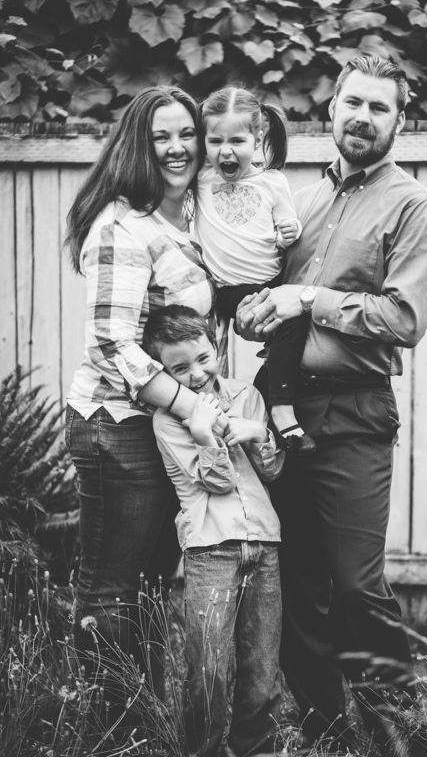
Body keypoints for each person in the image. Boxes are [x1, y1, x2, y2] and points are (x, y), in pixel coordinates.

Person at [237, 56, 427, 757]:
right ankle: (332, 735)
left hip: (355, 415)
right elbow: (267, 297)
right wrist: (255, 311)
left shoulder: (414, 207)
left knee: (356, 587)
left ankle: (404, 733)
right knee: (298, 586)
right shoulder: (296, 203)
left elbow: (403, 320)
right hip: (282, 410)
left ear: (398, 121)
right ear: (330, 112)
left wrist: (310, 300)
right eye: (351, 103)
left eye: (377, 108)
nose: (361, 117)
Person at [63, 86, 227, 742]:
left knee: (151, 588)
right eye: (162, 135)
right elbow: (109, 344)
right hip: (119, 429)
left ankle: (142, 727)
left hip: (158, 430)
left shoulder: (180, 226)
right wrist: (191, 404)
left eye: (187, 132)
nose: (179, 146)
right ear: (138, 143)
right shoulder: (121, 226)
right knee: (111, 594)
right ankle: (100, 733)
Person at [142, 304, 284, 757]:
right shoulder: (168, 420)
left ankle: (254, 748)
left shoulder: (247, 395)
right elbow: (215, 482)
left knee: (261, 666)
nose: (196, 374)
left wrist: (259, 433)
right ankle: (202, 750)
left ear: (216, 346)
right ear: (162, 371)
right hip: (211, 550)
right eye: (178, 368)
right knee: (208, 669)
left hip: (264, 543)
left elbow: (274, 471)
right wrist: (205, 436)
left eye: (203, 358)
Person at [194, 86, 315, 455]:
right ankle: (220, 410)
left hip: (272, 281)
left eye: (237, 140)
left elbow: (286, 227)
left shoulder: (273, 181)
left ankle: (281, 410)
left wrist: (289, 230)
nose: (225, 150)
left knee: (295, 322)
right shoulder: (199, 180)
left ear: (258, 138)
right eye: (214, 141)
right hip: (229, 288)